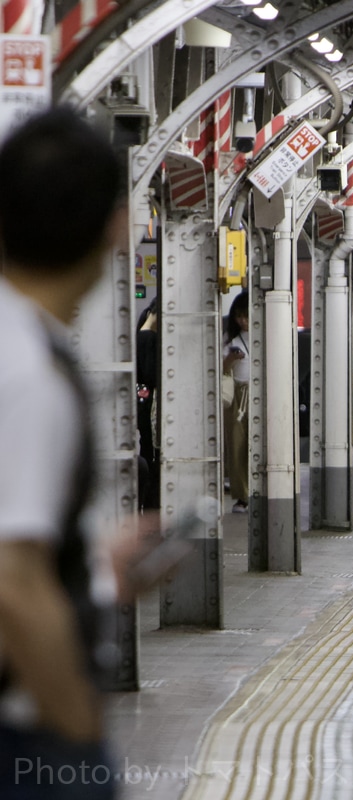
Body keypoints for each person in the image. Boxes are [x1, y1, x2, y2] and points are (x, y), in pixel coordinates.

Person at [0, 107, 125, 798]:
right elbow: (14, 583)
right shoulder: (28, 370)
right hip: (22, 732)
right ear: (112, 229)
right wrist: (77, 732)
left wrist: (98, 572)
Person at [222, 292, 251, 513]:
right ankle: (241, 495)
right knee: (237, 445)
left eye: (245, 315)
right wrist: (229, 361)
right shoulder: (230, 341)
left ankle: (257, 491)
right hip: (238, 395)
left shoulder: (267, 333)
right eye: (238, 316)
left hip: (259, 392)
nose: (242, 320)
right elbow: (222, 370)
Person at [136, 297, 161, 510]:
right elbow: (152, 375)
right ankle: (152, 505)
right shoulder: (149, 338)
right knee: (152, 454)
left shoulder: (139, 334)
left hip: (141, 401)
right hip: (150, 402)